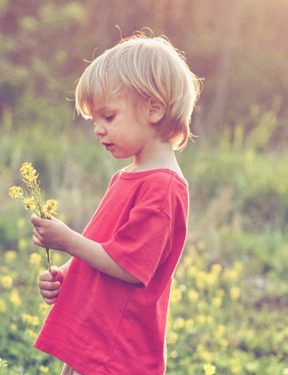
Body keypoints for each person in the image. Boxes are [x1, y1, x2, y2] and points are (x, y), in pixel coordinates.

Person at [30, 32, 202, 374]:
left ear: (153, 108)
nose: (97, 129)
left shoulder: (164, 187)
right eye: (94, 120)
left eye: (108, 117)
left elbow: (129, 267)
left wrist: (67, 241)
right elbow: (107, 247)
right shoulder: (128, 176)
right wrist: (67, 274)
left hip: (120, 352)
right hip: (96, 337)